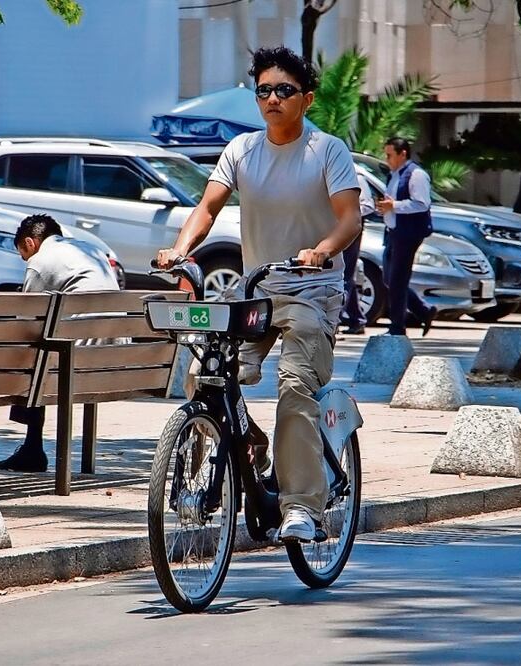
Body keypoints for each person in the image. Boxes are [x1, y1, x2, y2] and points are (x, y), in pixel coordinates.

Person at [156, 46, 363, 543]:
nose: (272, 98)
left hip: (312, 292)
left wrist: (322, 249)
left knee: (294, 388)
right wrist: (180, 250)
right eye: (264, 90)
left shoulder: (327, 150)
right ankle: (250, 445)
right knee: (205, 374)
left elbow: (350, 218)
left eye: (284, 91)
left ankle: (301, 508)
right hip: (257, 293)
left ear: (306, 99)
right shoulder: (242, 150)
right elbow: (206, 208)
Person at [0, 214, 120, 473]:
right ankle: (32, 448)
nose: (25, 261)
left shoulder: (41, 260)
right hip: (110, 360)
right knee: (40, 358)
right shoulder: (91, 251)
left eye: (23, 254)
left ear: (30, 243)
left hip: (71, 362)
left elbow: (27, 322)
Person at [375, 137, 437, 337]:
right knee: (390, 279)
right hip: (393, 232)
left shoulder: (416, 175)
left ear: (403, 154)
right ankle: (423, 310)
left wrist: (394, 206)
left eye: (390, 155)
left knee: (398, 280)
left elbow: (422, 204)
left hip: (408, 234)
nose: (387, 159)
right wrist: (384, 208)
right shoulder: (394, 175)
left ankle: (397, 327)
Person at [339, 178, 376, 334]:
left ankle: (335, 319)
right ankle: (357, 319)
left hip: (351, 229)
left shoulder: (357, 176)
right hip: (331, 228)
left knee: (344, 274)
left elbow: (368, 206)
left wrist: (347, 212)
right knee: (345, 274)